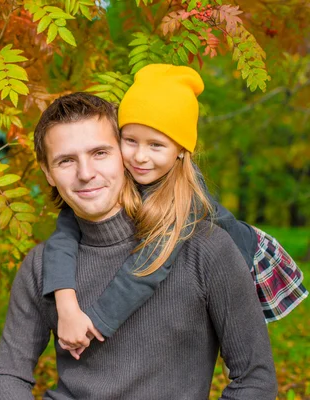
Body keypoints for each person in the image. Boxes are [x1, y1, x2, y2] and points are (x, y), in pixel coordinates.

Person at [0, 89, 278, 399]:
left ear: (123, 157)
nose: (86, 174)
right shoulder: (42, 265)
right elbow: (7, 377)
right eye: (66, 161)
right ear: (48, 173)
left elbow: (255, 381)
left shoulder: (205, 247)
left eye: (99, 153)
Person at [44, 64, 308, 358]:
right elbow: (66, 227)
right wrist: (66, 303)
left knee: (232, 343)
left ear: (181, 149)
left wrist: (94, 323)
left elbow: (148, 266)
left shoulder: (186, 198)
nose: (140, 156)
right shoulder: (120, 173)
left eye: (156, 145)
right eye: (130, 140)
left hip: (245, 255)